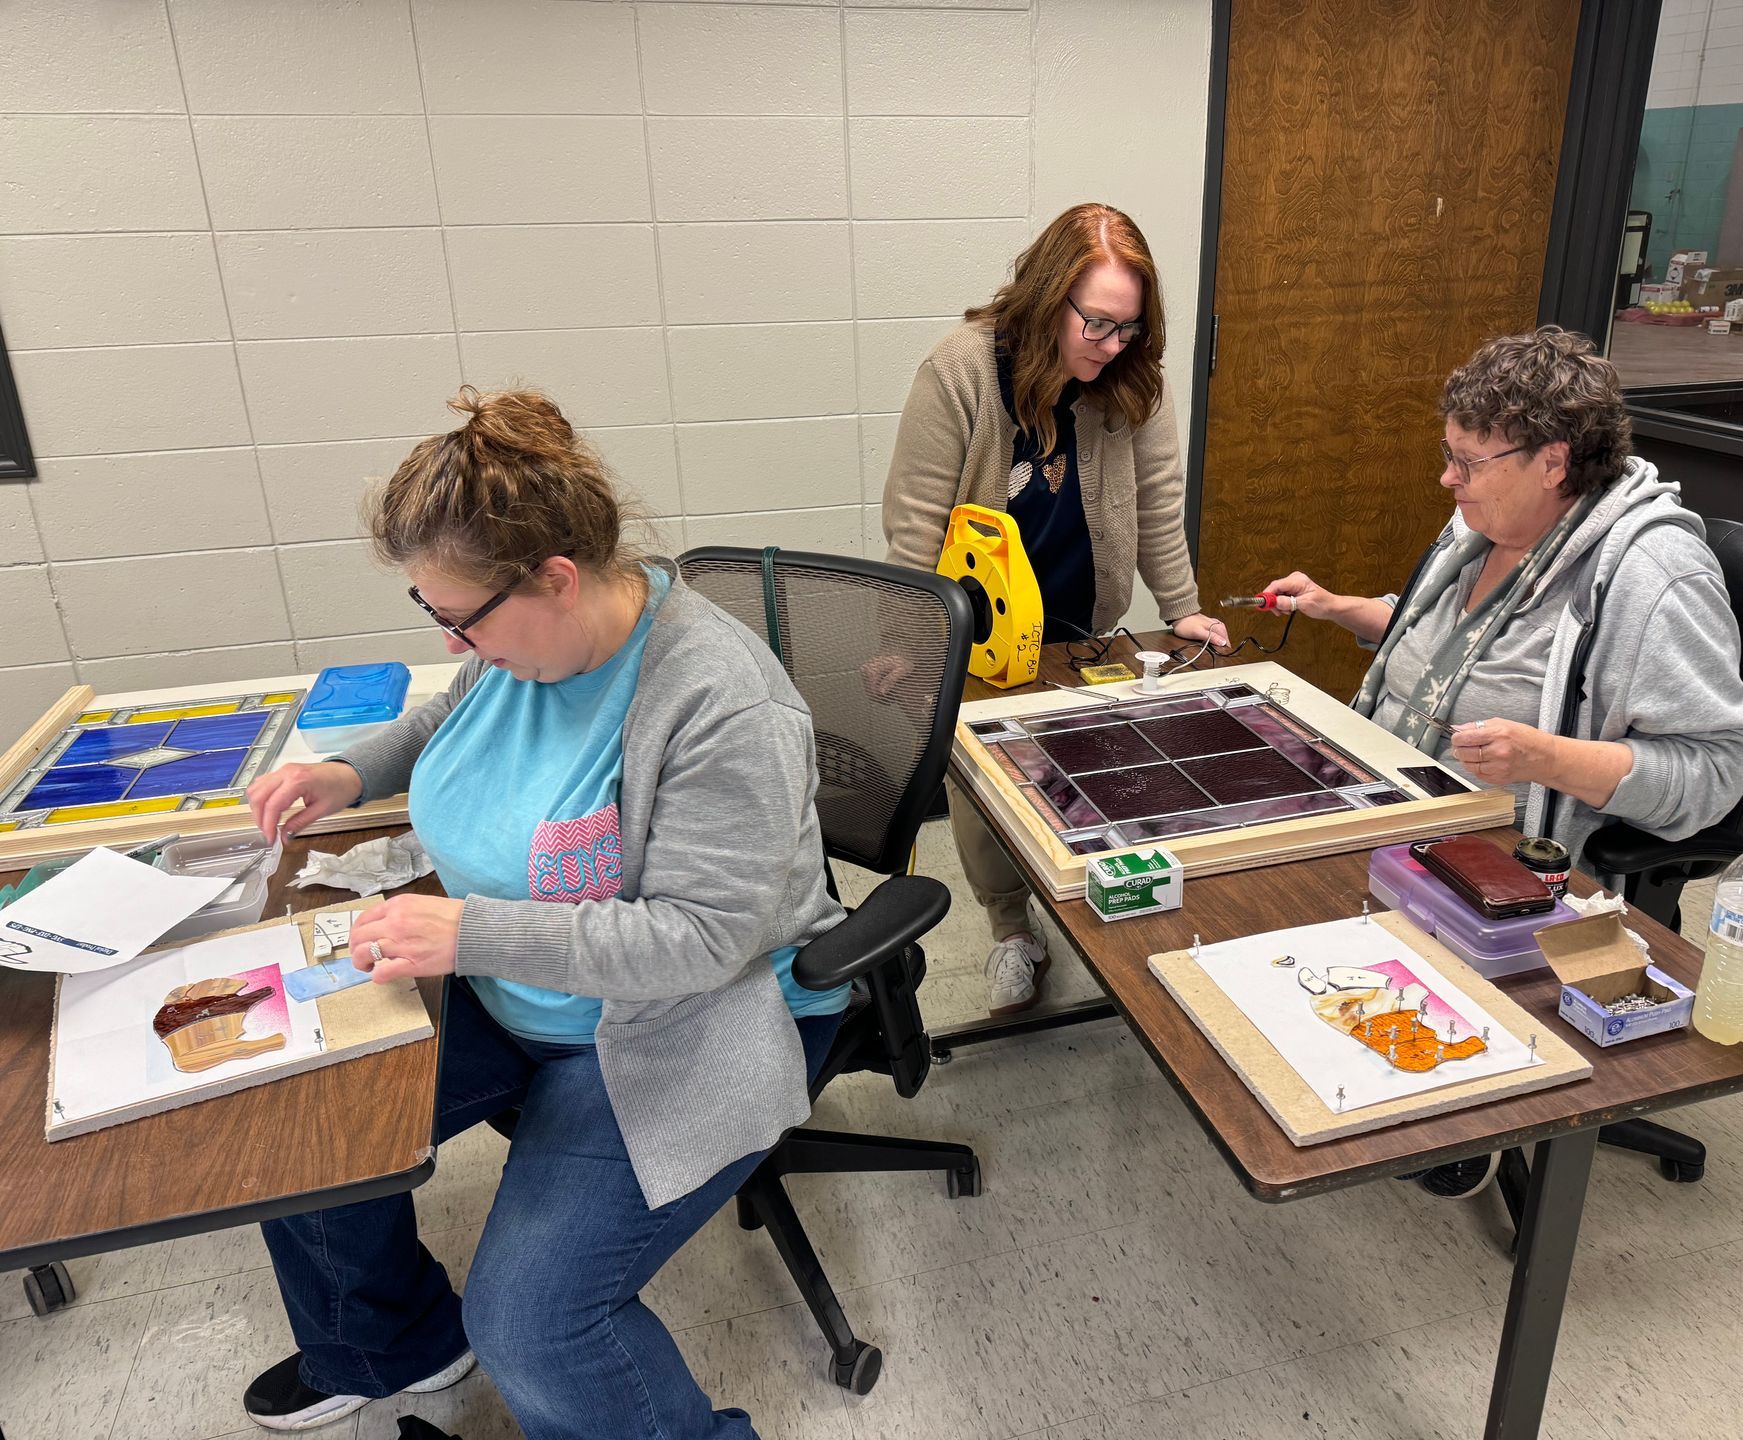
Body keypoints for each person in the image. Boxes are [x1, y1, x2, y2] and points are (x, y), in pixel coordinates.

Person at [237, 388, 848, 1437]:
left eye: (458, 617)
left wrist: (470, 933)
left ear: (556, 578)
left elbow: (702, 941)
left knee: (534, 1322)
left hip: (678, 1021)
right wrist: (352, 769)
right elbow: (452, 712)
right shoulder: (526, 647)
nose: (454, 641)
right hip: (518, 988)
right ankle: (394, 1345)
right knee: (299, 1132)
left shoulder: (716, 699)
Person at [1262, 326, 1743, 1198]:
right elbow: (1453, 645)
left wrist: (1548, 758)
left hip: (1499, 852)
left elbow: (1717, 771)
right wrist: (1347, 608)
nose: (1445, 479)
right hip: (1395, 792)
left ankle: (1466, 1097)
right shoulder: (1488, 526)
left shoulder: (1654, 576)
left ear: (1553, 462)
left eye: (1465, 460)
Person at [883, 202, 1227, 1017]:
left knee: (1096, 776)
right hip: (980, 632)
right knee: (986, 800)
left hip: (1081, 617)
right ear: (1047, 299)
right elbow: (915, 519)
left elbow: (1156, 497)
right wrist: (910, 638)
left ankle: (1109, 922)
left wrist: (1182, 607)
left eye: (1130, 328)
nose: (1112, 347)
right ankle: (1012, 934)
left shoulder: (1131, 378)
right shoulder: (959, 371)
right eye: (1098, 325)